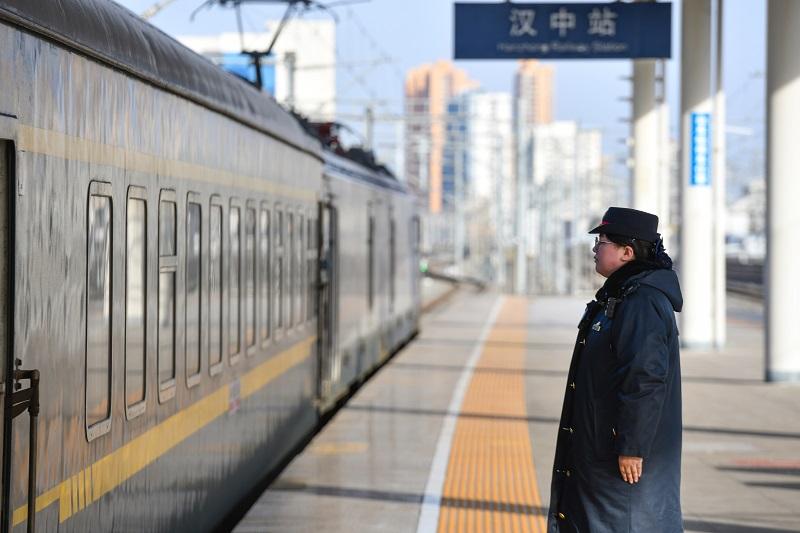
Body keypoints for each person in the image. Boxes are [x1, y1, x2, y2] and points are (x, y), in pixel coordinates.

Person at [547, 207, 684, 532]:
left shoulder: (642, 302)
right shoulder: (621, 296)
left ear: (627, 251)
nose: (595, 248)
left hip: (619, 463)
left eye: (602, 241)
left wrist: (632, 448)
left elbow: (644, 378)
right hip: (602, 453)